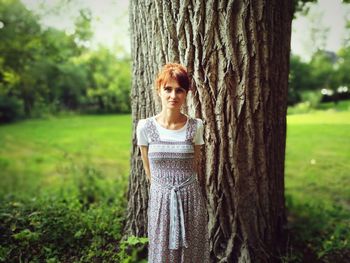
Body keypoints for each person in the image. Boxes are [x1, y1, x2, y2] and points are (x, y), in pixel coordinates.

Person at [136, 63, 210, 262]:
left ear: (186, 93)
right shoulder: (145, 127)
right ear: (158, 90)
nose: (173, 95)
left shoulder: (196, 126)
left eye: (179, 90)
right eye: (167, 89)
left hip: (190, 199)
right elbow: (148, 169)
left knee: (191, 254)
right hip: (160, 199)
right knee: (162, 255)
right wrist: (164, 189)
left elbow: (196, 163)